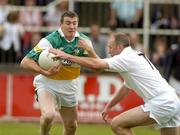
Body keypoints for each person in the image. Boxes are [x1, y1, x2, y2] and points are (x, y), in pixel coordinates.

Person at [49, 32, 180, 135]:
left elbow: (96, 65)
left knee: (117, 124)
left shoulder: (124, 58)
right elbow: (126, 88)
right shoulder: (133, 56)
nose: (109, 52)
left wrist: (66, 56)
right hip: (173, 99)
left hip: (161, 102)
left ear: (119, 47)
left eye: (110, 48)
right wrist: (109, 106)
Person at [20, 11, 98, 135]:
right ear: (60, 24)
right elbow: (25, 62)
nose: (72, 27)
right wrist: (44, 72)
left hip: (69, 85)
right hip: (47, 83)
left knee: (71, 126)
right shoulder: (50, 40)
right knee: (49, 116)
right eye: (68, 23)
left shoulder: (84, 41)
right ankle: (44, 133)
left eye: (74, 23)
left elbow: (97, 66)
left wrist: (90, 50)